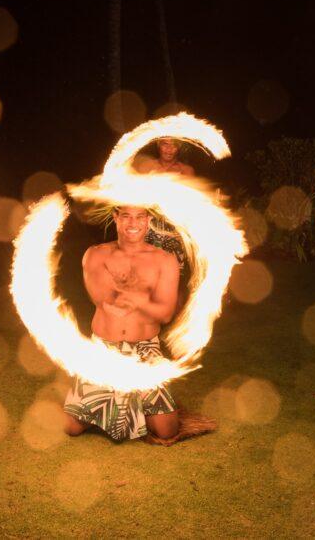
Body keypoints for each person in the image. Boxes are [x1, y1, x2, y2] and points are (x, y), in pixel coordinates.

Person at [63, 206, 182, 441]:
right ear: (115, 218)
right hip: (105, 350)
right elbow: (103, 299)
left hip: (145, 351)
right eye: (126, 216)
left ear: (148, 220)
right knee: (71, 428)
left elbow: (165, 313)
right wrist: (138, 296)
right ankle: (106, 408)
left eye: (139, 217)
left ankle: (133, 407)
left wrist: (136, 299)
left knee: (167, 431)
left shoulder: (165, 261)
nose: (132, 223)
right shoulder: (95, 254)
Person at [137, 138, 192, 271]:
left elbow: (189, 202)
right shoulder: (147, 167)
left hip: (173, 228)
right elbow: (137, 196)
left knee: (169, 271)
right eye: (165, 144)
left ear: (179, 147)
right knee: (143, 269)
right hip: (148, 225)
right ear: (158, 145)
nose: (169, 149)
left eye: (174, 145)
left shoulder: (186, 171)